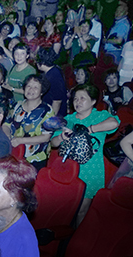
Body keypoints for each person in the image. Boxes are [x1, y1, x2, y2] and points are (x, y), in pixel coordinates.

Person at [51, 84, 120, 225]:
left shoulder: (100, 116)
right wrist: (62, 137)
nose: (78, 102)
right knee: (65, 210)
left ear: (93, 101)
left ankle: (76, 239)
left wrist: (88, 130)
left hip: (91, 170)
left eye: (83, 98)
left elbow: (114, 123)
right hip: (69, 169)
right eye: (75, 99)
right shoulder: (68, 119)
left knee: (82, 211)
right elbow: (54, 143)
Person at [3, 74, 54, 170]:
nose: (31, 89)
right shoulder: (17, 106)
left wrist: (20, 140)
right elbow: (6, 124)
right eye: (28, 86)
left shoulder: (47, 111)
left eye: (35, 87)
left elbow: (46, 137)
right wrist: (8, 136)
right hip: (12, 153)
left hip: (34, 159)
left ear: (42, 91)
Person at [35, 47, 67, 118]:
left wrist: (51, 119)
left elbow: (57, 101)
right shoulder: (52, 71)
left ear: (42, 62)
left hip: (56, 114)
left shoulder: (54, 75)